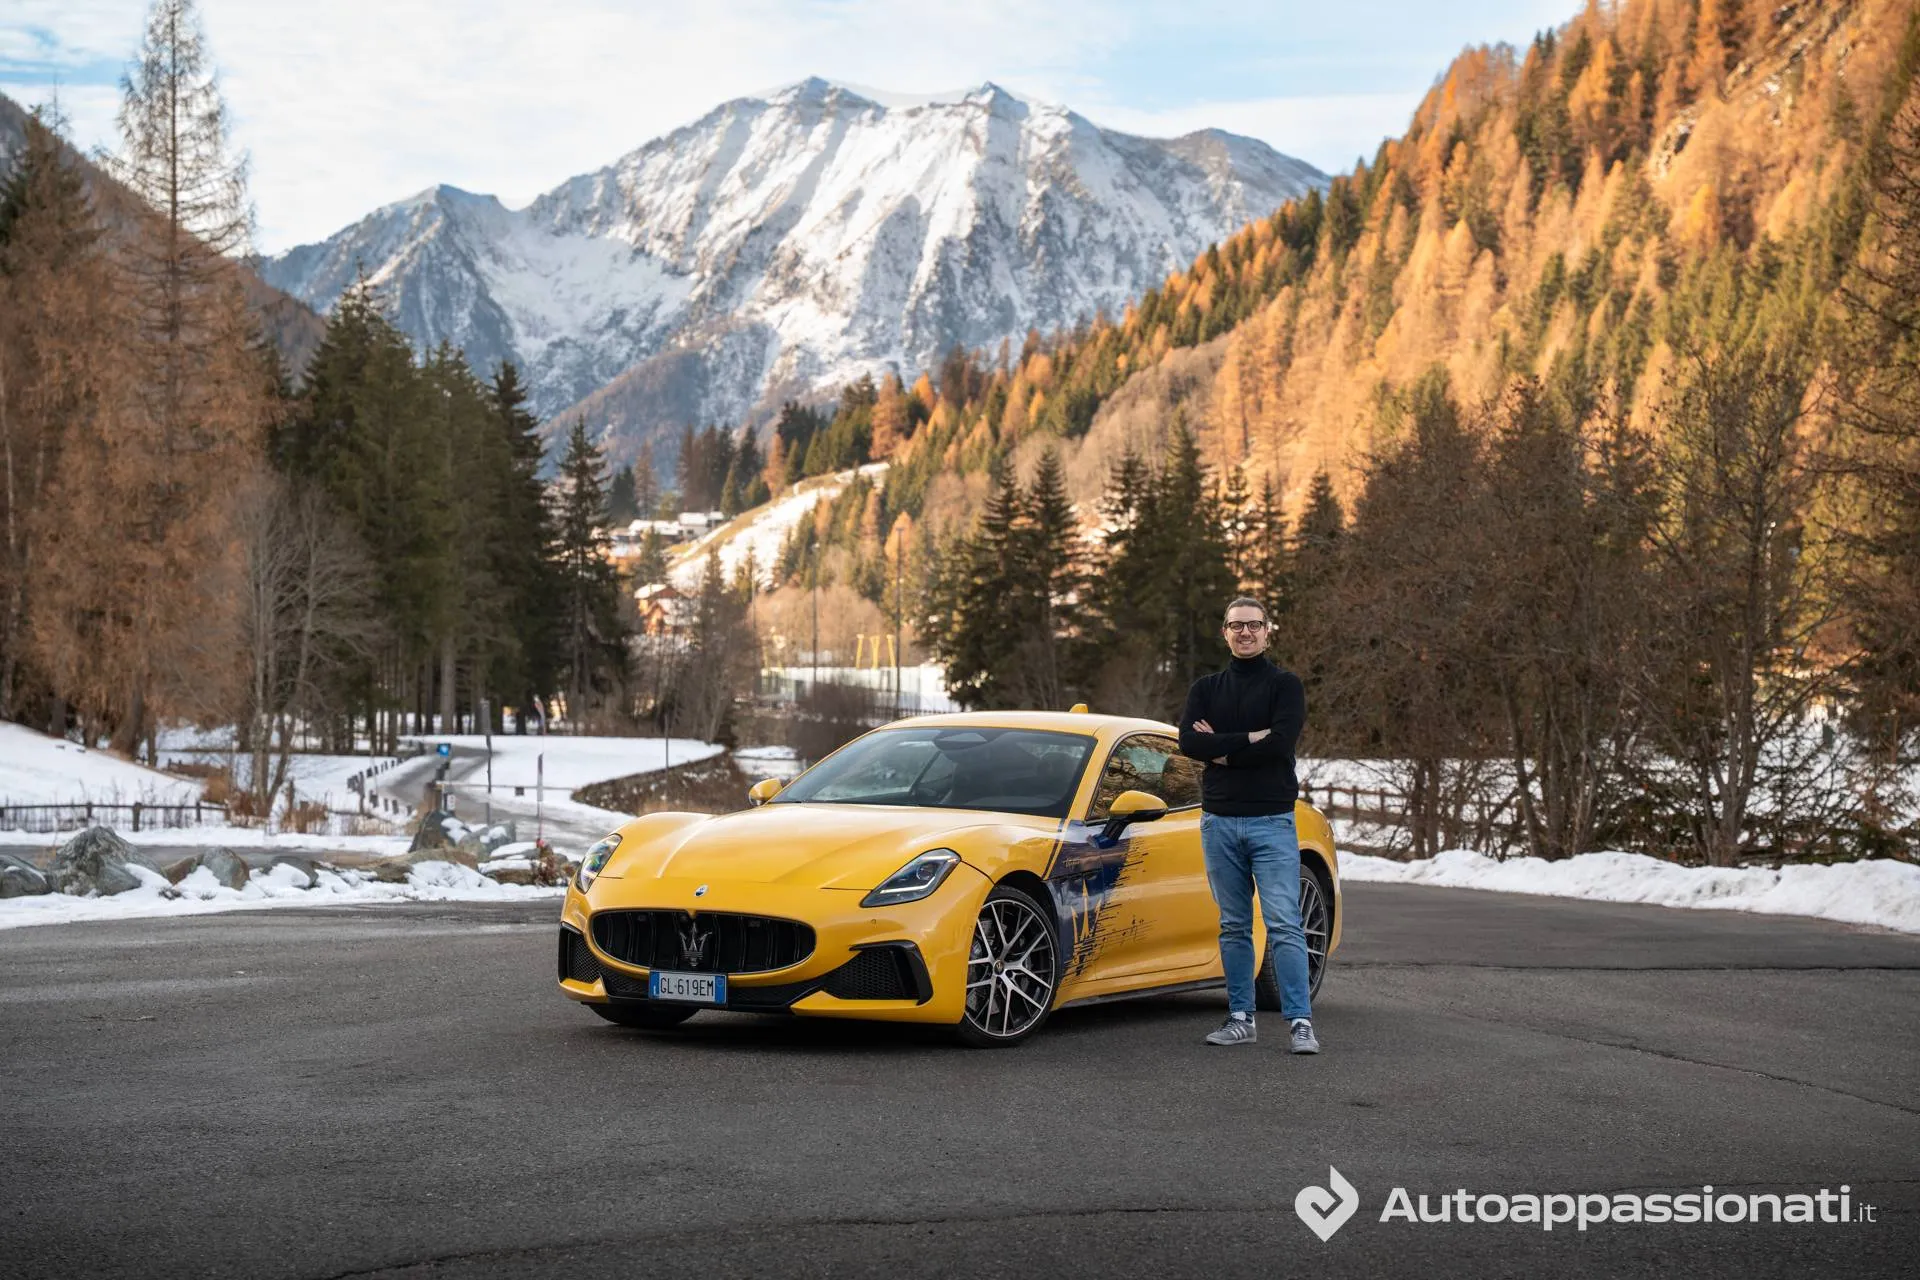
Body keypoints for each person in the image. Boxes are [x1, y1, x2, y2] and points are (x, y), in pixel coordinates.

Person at [1177, 595, 1318, 1054]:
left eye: (1254, 625)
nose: (1245, 632)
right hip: (1218, 822)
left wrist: (1220, 747)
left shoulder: (1285, 685)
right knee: (1234, 925)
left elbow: (1279, 745)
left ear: (1268, 630)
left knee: (1284, 925)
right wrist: (1248, 739)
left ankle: (1300, 1022)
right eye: (1236, 625)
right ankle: (1241, 1018)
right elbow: (1187, 744)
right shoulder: (1206, 688)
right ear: (1224, 632)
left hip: (1271, 821)